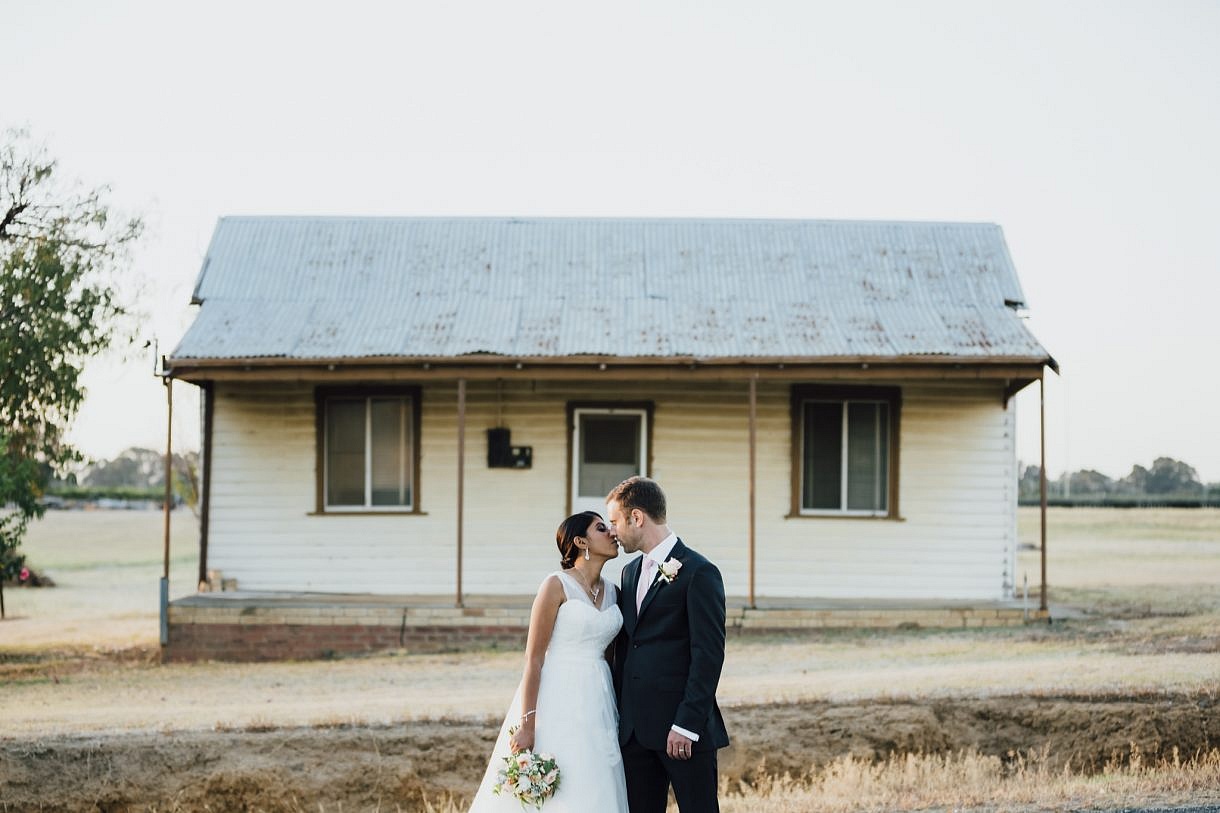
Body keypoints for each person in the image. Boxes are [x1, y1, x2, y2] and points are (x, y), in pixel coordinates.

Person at [467, 511, 629, 813]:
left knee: (594, 776)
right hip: (558, 692)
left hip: (600, 697)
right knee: (561, 775)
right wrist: (528, 724)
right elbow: (534, 659)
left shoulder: (614, 592)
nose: (612, 533)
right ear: (581, 542)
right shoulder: (555, 585)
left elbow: (611, 655)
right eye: (601, 528)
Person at [609, 477, 730, 813]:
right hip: (634, 734)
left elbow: (708, 654)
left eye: (615, 521)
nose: (613, 531)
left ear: (637, 517)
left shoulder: (699, 572)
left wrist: (686, 725)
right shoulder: (629, 573)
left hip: (683, 733)